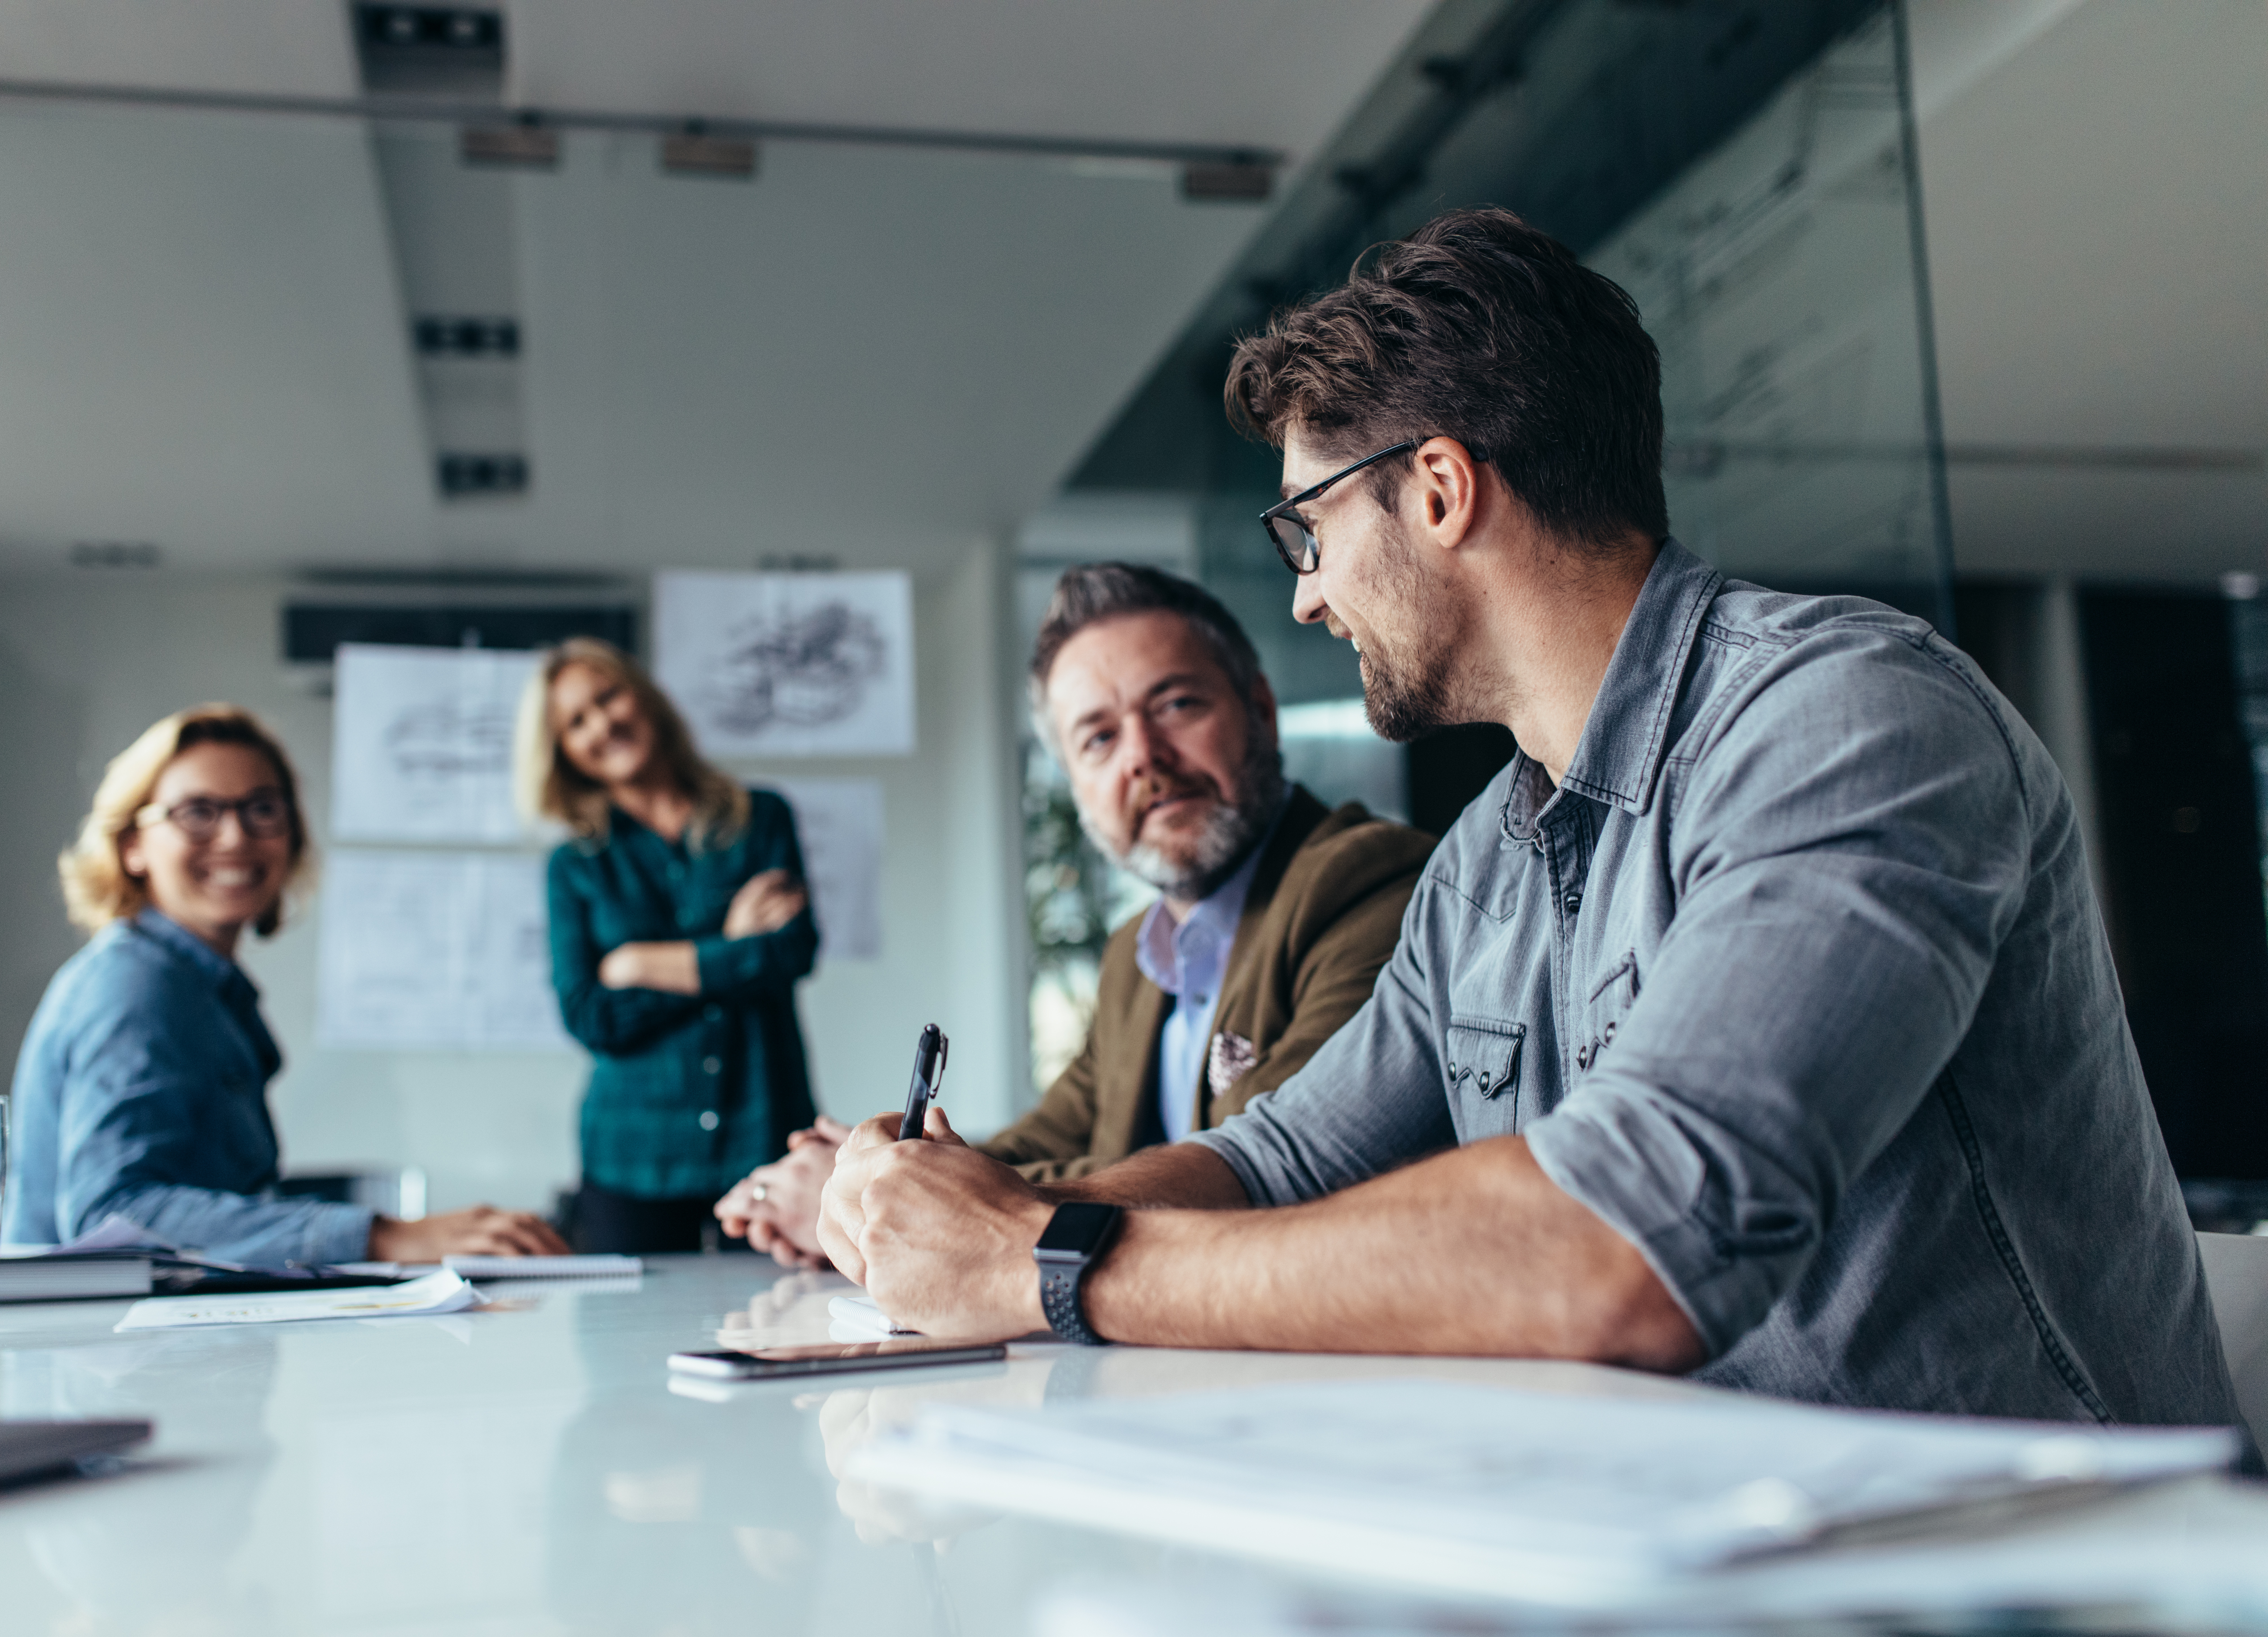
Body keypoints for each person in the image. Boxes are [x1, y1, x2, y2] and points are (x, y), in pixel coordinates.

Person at [816, 207, 2243, 1430]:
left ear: (1437, 489)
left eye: (1308, 531)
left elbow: (1627, 1242)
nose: (1306, 593)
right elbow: (1279, 1158)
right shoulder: (1490, 858)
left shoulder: (1847, 720)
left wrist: (1043, 1256)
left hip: (2036, 1571)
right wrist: (958, 1217)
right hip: (1698, 1541)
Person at [714, 566, 1433, 1265]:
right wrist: (873, 1177)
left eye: (1178, 705)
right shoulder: (1136, 955)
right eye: (1099, 738)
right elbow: (1034, 1144)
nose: (1145, 758)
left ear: (1262, 710)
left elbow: (1266, 1162)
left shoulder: (1365, 882)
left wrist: (899, 1208)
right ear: (1077, 784)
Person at [8, 705, 567, 1264]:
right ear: (132, 845)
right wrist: (384, 1236)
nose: (235, 837)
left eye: (263, 810)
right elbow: (112, 1215)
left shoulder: (204, 989)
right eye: (197, 812)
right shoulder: (136, 986)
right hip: (97, 1346)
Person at [523, 637, 819, 1254]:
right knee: (624, 1346)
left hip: (764, 1137)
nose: (602, 723)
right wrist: (731, 946)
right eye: (577, 721)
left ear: (644, 697)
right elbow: (591, 1015)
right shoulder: (574, 865)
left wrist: (639, 965)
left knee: (784, 1330)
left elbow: (791, 953)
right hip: (632, 1159)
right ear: (563, 753)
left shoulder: (761, 819)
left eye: (608, 697)